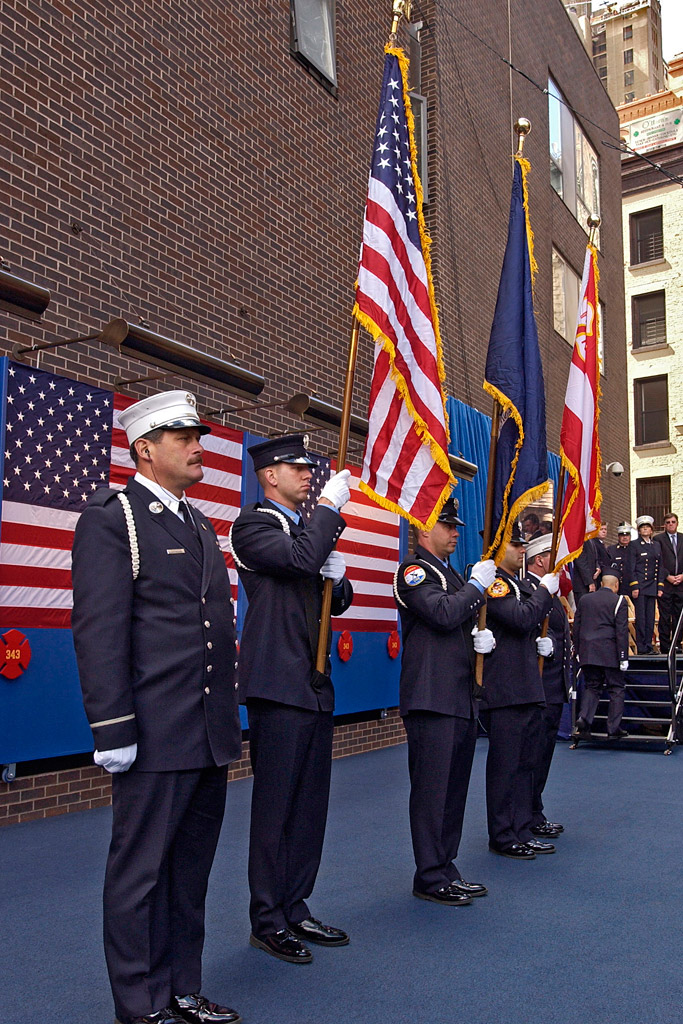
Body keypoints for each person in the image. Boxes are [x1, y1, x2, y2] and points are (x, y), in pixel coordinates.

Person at [71, 391, 243, 1024]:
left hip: (205, 730)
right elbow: (99, 628)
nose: (197, 446)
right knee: (140, 876)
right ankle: (140, 1005)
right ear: (144, 448)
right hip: (152, 729)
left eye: (197, 435)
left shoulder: (195, 521)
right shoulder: (114, 517)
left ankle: (180, 987)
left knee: (188, 872)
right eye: (181, 436)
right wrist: (112, 724)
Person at [229, 435, 353, 964]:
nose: (308, 474)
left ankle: (295, 905)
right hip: (277, 685)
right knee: (276, 806)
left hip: (313, 684)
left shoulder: (306, 533)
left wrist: (339, 576)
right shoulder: (253, 525)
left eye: (310, 468)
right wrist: (327, 513)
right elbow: (301, 564)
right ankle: (267, 918)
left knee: (309, 808)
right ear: (268, 475)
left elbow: (333, 599)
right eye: (295, 467)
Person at [393, 496, 496, 905]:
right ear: (423, 529)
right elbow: (441, 613)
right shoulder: (415, 571)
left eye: (456, 526)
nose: (455, 532)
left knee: (453, 791)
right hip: (431, 697)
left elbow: (458, 617)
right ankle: (429, 875)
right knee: (432, 791)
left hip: (459, 695)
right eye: (447, 525)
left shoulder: (450, 574)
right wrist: (476, 588)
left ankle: (446, 866)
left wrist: (478, 644)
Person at [480, 526, 559, 860]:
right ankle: (502, 833)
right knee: (505, 766)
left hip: (527, 686)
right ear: (498, 548)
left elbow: (531, 625)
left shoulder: (521, 584)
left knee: (526, 764)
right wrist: (544, 594)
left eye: (523, 543)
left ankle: (522, 827)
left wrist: (545, 644)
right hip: (506, 689)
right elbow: (520, 618)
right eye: (515, 544)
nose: (521, 549)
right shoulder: (496, 584)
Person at [524, 534, 571, 839]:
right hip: (539, 685)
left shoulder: (549, 593)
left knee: (544, 756)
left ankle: (534, 811)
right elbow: (525, 626)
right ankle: (527, 815)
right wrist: (549, 643)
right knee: (533, 755)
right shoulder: (529, 590)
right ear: (540, 559)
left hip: (554, 685)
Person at [573, 575, 630, 739]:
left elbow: (577, 626)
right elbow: (621, 631)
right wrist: (623, 656)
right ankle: (613, 728)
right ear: (616, 585)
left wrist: (578, 650)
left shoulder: (584, 600)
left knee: (592, 686)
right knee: (616, 688)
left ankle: (584, 719)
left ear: (600, 584)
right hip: (609, 651)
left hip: (588, 651)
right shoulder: (619, 601)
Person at [631, 515, 660, 654]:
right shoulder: (634, 545)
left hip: (652, 585)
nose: (645, 529)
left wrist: (660, 586)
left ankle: (649, 644)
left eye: (647, 527)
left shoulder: (656, 545)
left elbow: (660, 566)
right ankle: (641, 647)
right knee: (641, 618)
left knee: (650, 617)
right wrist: (634, 586)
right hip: (641, 585)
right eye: (643, 527)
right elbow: (631, 567)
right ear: (639, 530)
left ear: (651, 529)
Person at [655, 512, 683, 654]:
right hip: (666, 584)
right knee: (665, 616)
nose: (671, 524)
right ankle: (665, 646)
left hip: (681, 584)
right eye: (668, 522)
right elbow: (657, 562)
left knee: (679, 615)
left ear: (677, 523)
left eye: (673, 522)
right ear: (664, 525)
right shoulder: (658, 539)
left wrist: (682, 576)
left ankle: (677, 643)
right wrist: (667, 576)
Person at [607, 524, 636, 597]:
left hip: (632, 584)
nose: (625, 537)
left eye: (627, 536)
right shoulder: (611, 549)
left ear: (630, 536)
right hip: (618, 585)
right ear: (618, 537)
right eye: (622, 536)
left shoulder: (635, 549)